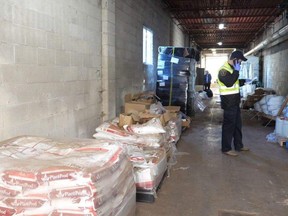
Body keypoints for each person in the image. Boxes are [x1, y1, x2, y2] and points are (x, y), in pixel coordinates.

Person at [217, 50, 250, 156]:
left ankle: (239, 145)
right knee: (229, 125)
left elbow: (235, 82)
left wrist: (244, 81)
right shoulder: (223, 70)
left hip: (235, 101)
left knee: (237, 125)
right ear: (235, 60)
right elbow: (229, 83)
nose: (240, 63)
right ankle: (226, 148)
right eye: (240, 61)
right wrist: (236, 72)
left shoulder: (232, 69)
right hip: (228, 102)